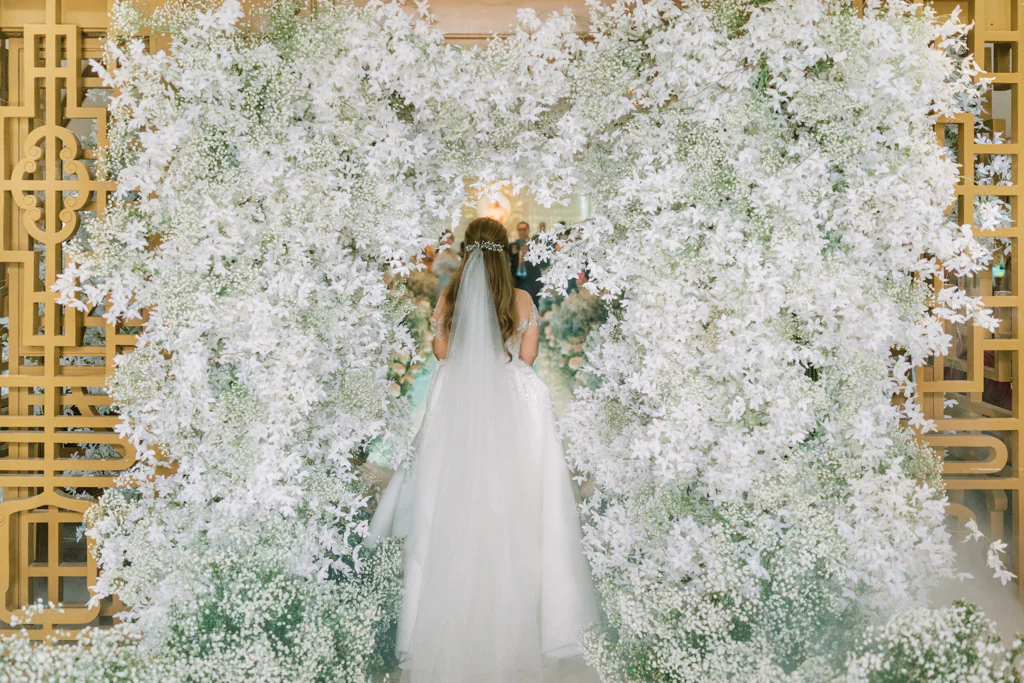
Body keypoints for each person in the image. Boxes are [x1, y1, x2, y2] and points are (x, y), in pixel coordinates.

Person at [367, 217, 603, 682]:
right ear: (504, 253)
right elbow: (529, 357)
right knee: (518, 510)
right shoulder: (522, 300)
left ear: (465, 250)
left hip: (457, 399)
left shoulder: (448, 298)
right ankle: (522, 622)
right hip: (517, 406)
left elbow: (441, 353)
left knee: (452, 508)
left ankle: (447, 623)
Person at [509, 221, 545, 306]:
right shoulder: (513, 245)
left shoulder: (534, 245)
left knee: (533, 304)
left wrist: (529, 251)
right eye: (520, 229)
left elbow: (542, 262)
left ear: (528, 230)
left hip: (531, 279)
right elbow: (509, 262)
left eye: (524, 229)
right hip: (517, 280)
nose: (522, 232)